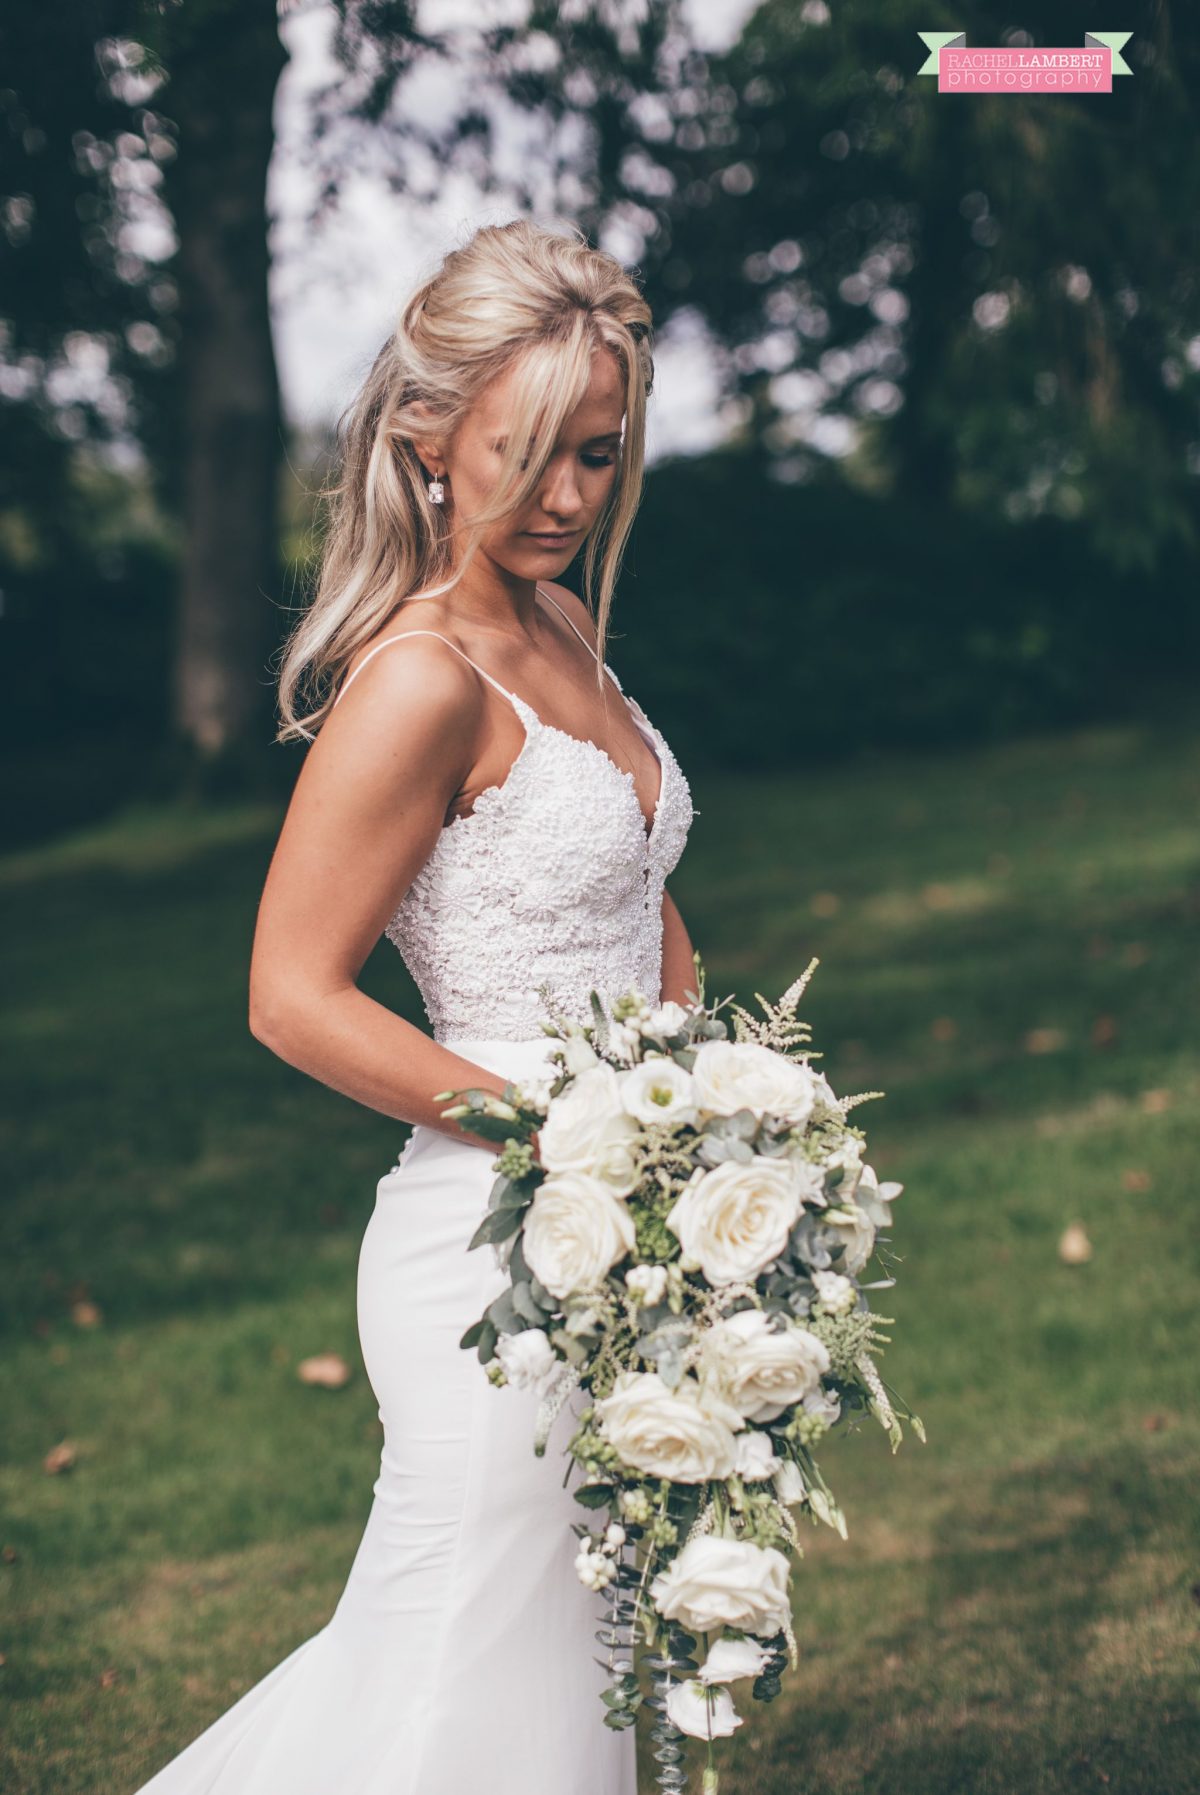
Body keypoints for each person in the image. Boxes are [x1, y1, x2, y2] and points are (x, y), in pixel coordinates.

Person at [131, 217, 697, 1793]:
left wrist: (707, 1119)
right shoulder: (423, 679)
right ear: (427, 436)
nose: (573, 501)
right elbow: (291, 997)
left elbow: (640, 901)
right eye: (533, 455)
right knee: (452, 1658)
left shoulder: (565, 631)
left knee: (577, 1651)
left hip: (631, 1213)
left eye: (601, 454)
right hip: (491, 1241)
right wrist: (564, 1139)